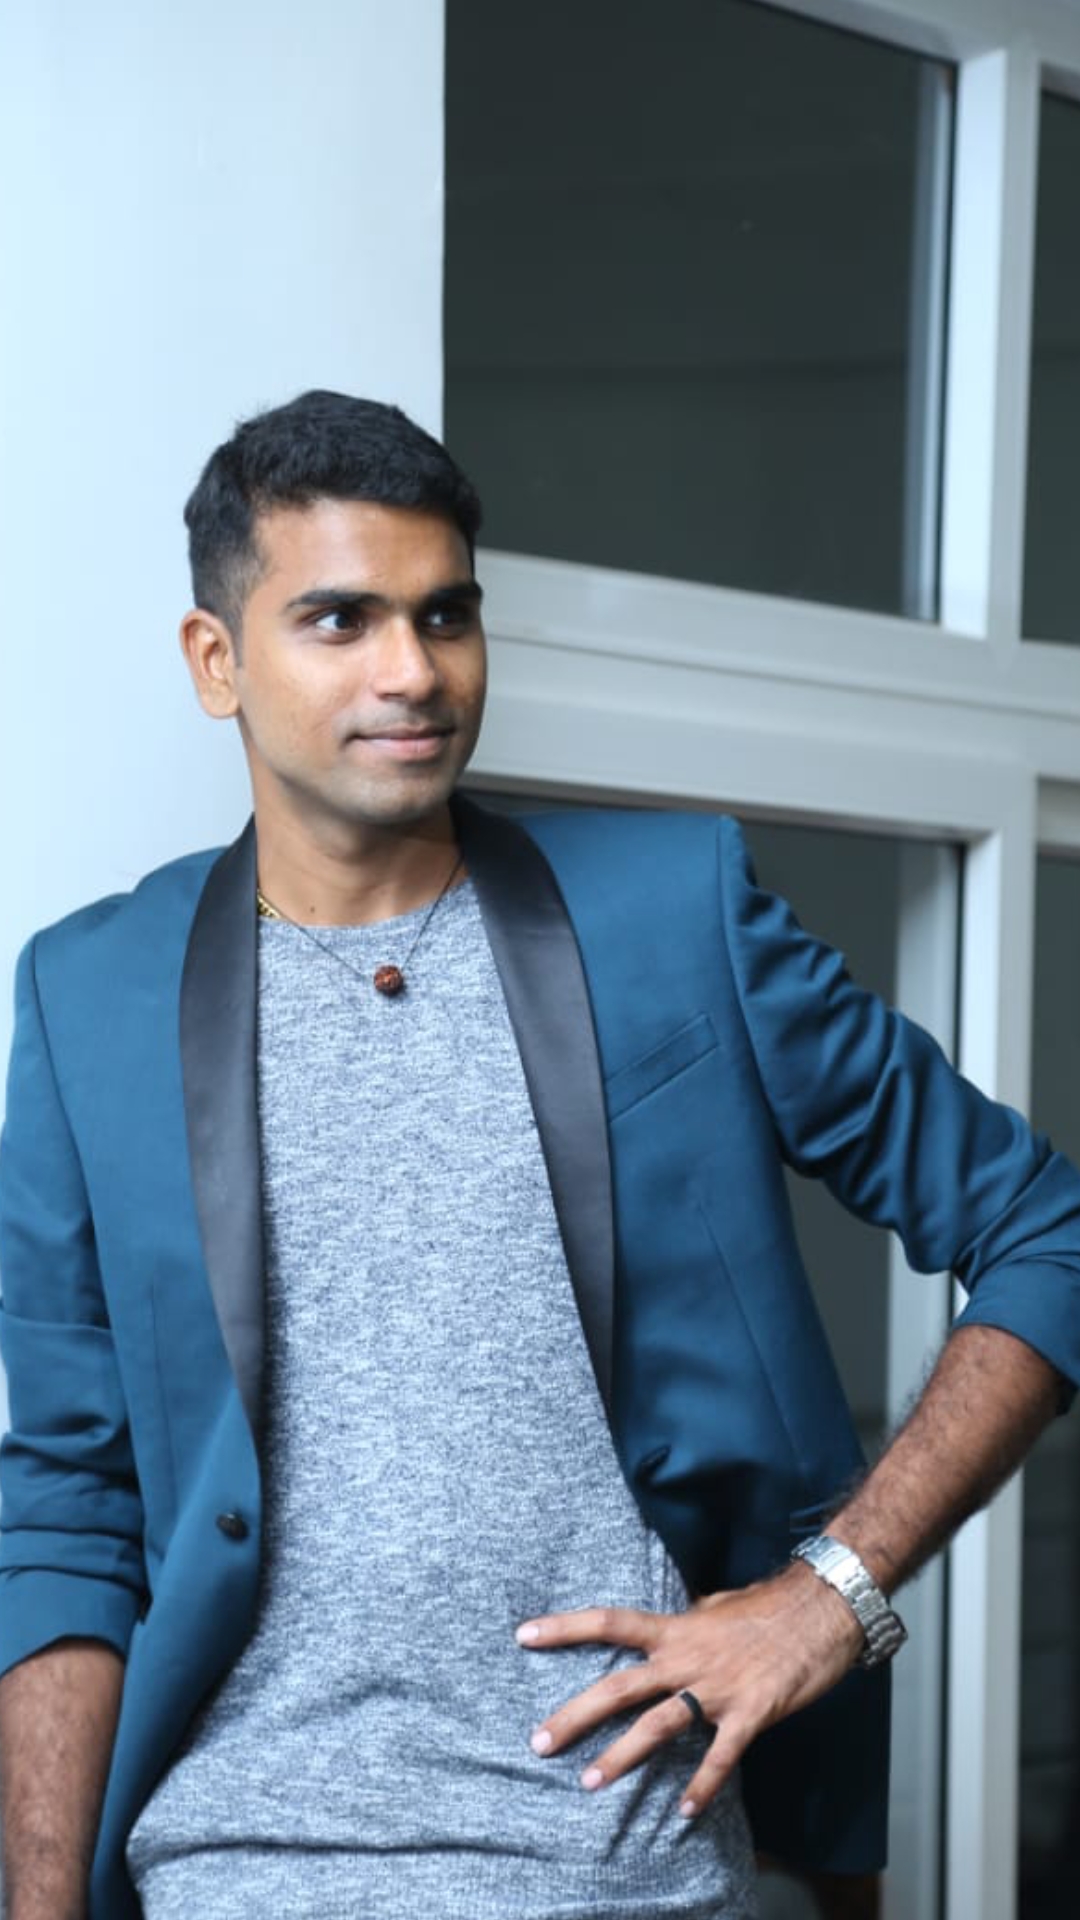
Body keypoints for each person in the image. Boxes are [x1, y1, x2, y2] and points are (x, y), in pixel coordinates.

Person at [0, 391, 1077, 1920]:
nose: (414, 671)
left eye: (445, 614)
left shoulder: (672, 919)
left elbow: (1048, 1230)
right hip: (234, 1872)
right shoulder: (88, 997)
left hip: (621, 1874)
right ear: (216, 660)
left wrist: (831, 1598)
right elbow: (68, 1500)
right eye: (341, 619)